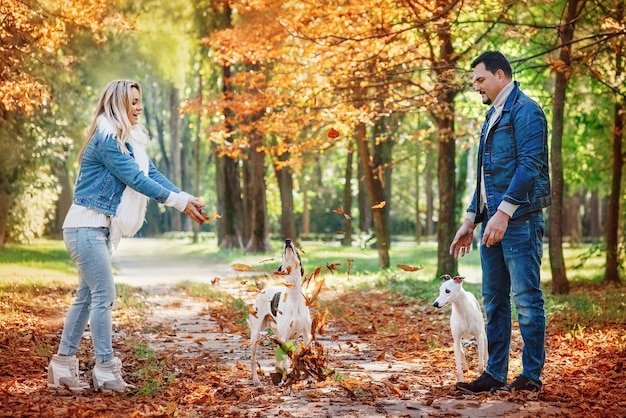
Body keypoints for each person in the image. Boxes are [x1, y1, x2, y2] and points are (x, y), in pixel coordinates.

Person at [47, 80, 206, 392]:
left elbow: (150, 174)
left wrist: (183, 198)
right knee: (105, 295)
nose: (139, 107)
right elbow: (134, 178)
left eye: (139, 101)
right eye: (133, 102)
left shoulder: (130, 139)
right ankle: (105, 369)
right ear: (117, 104)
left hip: (97, 228)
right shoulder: (107, 137)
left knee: (87, 297)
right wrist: (178, 202)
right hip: (85, 227)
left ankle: (62, 366)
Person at [449, 51, 551, 393]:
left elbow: (529, 167)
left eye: (480, 80)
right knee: (494, 299)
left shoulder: (527, 112)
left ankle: (531, 377)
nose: (476, 87)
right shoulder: (491, 116)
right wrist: (470, 220)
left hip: (519, 221)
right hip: (492, 222)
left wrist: (504, 213)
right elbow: (484, 176)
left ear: (501, 76)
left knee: (526, 298)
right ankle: (495, 373)